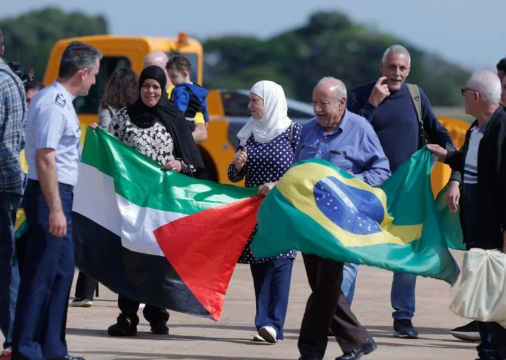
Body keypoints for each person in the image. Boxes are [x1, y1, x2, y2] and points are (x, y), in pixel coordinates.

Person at [260, 77, 390, 360]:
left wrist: (348, 182)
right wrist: (276, 185)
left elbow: (381, 170)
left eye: (324, 103)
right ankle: (359, 341)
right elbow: (297, 171)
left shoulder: (360, 130)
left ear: (342, 103)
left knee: (326, 287)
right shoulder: (308, 131)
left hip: (340, 225)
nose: (317, 109)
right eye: (314, 102)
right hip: (309, 223)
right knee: (322, 287)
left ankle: (310, 351)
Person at [347, 44, 453, 339]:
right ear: (382, 67)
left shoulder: (416, 96)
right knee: (350, 253)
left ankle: (403, 317)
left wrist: (449, 151)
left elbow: (436, 129)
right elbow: (349, 135)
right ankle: (339, 314)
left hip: (406, 192)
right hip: (366, 190)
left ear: (409, 70)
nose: (397, 73)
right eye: (392, 67)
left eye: (402, 68)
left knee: (406, 257)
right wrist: (371, 104)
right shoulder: (359, 94)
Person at [11, 41, 101, 360]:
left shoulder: (62, 101)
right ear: (83, 72)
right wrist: (56, 209)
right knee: (40, 275)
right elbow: (45, 159)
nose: (94, 82)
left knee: (61, 275)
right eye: (94, 76)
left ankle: (52, 349)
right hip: (49, 195)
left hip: (60, 195)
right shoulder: (51, 103)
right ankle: (25, 349)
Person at [103, 65, 205, 337]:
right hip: (130, 202)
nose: (150, 91)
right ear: (139, 88)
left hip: (162, 204)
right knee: (131, 259)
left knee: (158, 259)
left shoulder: (174, 118)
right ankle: (127, 317)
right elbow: (109, 151)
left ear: (163, 90)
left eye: (156, 87)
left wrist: (179, 165)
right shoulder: (124, 118)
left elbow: (195, 164)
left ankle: (157, 314)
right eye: (146, 86)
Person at [428, 70, 506, 360]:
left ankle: (496, 350)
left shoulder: (502, 129)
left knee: (496, 291)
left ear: (475, 96)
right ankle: (488, 349)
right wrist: (447, 156)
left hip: (495, 229)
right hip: (475, 226)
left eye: (465, 93)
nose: (464, 98)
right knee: (481, 290)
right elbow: (470, 163)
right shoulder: (476, 130)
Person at [227, 80, 301, 344]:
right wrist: (237, 165)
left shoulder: (294, 133)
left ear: (269, 102)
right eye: (250, 100)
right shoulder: (249, 134)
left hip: (283, 212)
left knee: (280, 264)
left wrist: (278, 185)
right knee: (260, 266)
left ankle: (274, 324)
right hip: (255, 215)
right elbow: (233, 175)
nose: (249, 106)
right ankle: (263, 323)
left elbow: (303, 171)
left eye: (254, 101)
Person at [70, 67, 139, 308]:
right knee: (132, 235)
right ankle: (137, 292)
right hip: (133, 178)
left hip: (109, 176)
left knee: (98, 230)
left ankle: (85, 293)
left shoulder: (106, 105)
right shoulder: (139, 110)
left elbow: (107, 135)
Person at [0, 27, 27, 360]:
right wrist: (16, 190)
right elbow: (8, 146)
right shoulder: (9, 83)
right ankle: (14, 340)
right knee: (7, 266)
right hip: (4, 189)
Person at [167, 55, 208, 144]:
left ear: (185, 74)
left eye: (174, 76)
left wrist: (172, 119)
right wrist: (206, 120)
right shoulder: (198, 89)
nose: (171, 80)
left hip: (182, 123)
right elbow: (204, 107)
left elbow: (179, 108)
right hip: (192, 123)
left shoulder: (180, 90)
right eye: (170, 77)